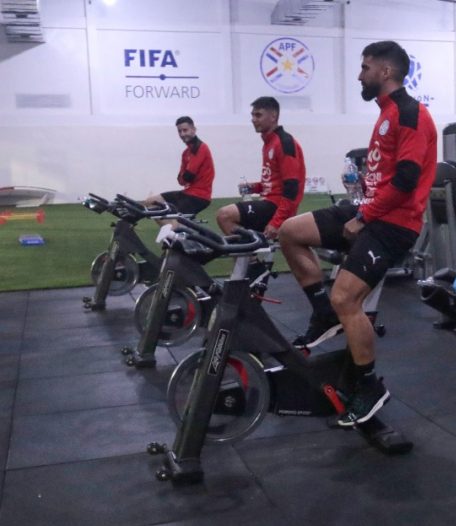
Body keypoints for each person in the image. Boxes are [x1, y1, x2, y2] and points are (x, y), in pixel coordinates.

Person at [277, 41, 437, 428]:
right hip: (370, 210)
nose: (359, 75)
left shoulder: (412, 114)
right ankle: (322, 314)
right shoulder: (386, 113)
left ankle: (368, 386)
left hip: (394, 224)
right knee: (290, 231)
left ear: (385, 72)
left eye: (365, 68)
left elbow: (406, 180)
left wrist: (363, 217)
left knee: (346, 297)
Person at [216, 96, 305, 237]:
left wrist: (277, 222)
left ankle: (250, 259)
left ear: (273, 116)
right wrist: (255, 187)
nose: (253, 119)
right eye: (252, 115)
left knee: (224, 215)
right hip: (268, 202)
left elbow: (292, 188)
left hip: (275, 207)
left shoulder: (284, 143)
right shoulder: (269, 142)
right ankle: (250, 257)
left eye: (258, 115)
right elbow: (274, 182)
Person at [145, 116, 214, 217]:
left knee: (171, 219)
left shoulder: (201, 148)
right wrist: (185, 176)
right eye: (179, 131)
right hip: (187, 193)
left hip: (199, 197)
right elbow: (181, 181)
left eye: (185, 130)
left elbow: (188, 176)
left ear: (193, 130)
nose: (182, 134)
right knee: (150, 202)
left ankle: (175, 228)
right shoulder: (186, 153)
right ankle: (173, 228)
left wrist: (185, 176)